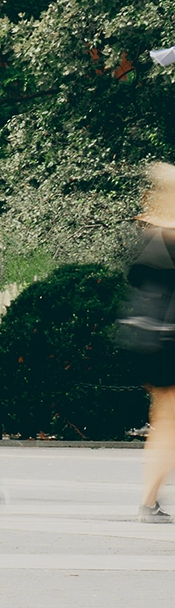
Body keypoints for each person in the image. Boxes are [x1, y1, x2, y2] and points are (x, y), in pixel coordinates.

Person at [124, 162, 175, 522]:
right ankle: (147, 502)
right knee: (169, 424)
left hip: (148, 337)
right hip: (170, 339)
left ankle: (149, 500)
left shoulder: (150, 234)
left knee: (164, 420)